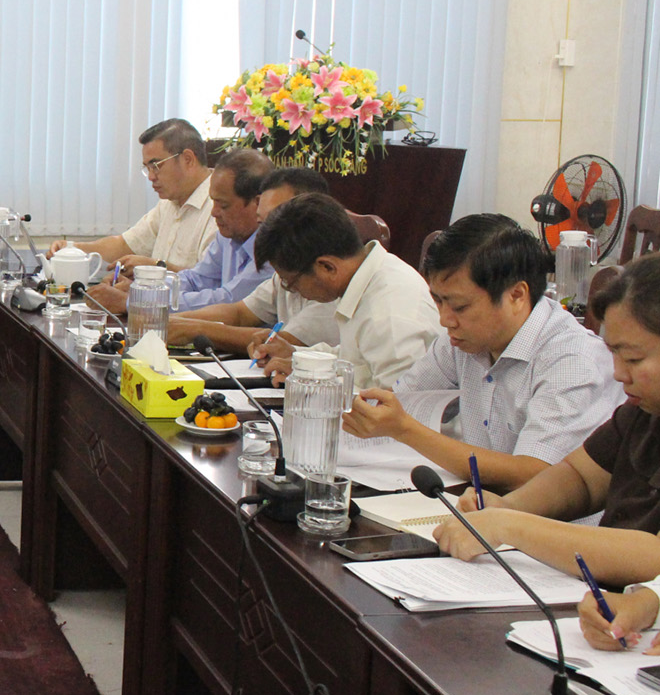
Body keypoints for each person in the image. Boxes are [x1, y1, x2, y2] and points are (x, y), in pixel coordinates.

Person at [435, 257, 660, 630]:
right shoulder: (643, 411)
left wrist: (511, 526)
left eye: (634, 358)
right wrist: (510, 505)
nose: (619, 373)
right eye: (614, 354)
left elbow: (654, 555)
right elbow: (581, 477)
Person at [343, 214, 620, 493]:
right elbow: (405, 399)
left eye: (460, 307)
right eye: (438, 301)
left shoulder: (571, 360)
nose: (445, 319)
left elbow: (535, 475)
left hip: (542, 515)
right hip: (479, 500)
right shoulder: (464, 339)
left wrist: (404, 429)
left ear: (516, 295)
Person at [248, 193, 441, 389]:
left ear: (327, 267)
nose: (291, 290)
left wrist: (313, 382)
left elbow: (396, 402)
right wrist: (297, 357)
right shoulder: (367, 276)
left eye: (291, 282)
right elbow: (354, 360)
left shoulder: (388, 314)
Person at [165, 168, 338, 353]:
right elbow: (239, 313)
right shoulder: (285, 268)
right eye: (263, 223)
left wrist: (196, 329)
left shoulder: (328, 276)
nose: (265, 234)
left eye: (276, 222)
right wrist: (173, 322)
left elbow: (287, 343)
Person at [85, 149, 272, 315]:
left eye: (223, 205)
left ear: (258, 203)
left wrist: (134, 302)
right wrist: (138, 290)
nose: (214, 212)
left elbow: (227, 301)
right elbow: (195, 280)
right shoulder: (228, 237)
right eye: (213, 202)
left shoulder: (273, 247)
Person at [48, 118, 216, 271]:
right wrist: (72, 248)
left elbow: (207, 282)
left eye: (156, 165)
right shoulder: (169, 203)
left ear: (188, 159)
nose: (151, 177)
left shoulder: (218, 208)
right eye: (147, 168)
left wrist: (153, 268)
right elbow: (124, 245)